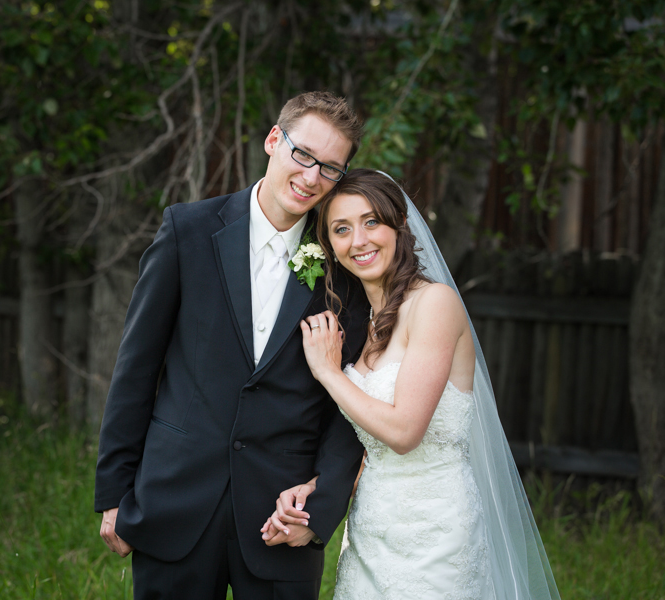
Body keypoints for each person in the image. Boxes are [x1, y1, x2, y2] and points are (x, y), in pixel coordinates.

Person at [95, 91, 371, 599]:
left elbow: (349, 400)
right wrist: (114, 491)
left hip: (281, 519)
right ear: (273, 140)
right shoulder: (187, 230)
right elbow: (136, 367)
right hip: (175, 501)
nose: (311, 177)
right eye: (303, 155)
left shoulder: (345, 264)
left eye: (330, 168)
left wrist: (321, 509)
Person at [262, 169, 560, 599]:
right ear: (329, 247)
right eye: (341, 229)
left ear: (399, 224)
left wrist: (328, 372)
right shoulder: (362, 322)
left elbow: (404, 432)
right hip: (371, 532)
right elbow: (371, 444)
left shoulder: (434, 303)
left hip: (434, 534)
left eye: (371, 222)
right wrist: (316, 489)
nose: (358, 240)